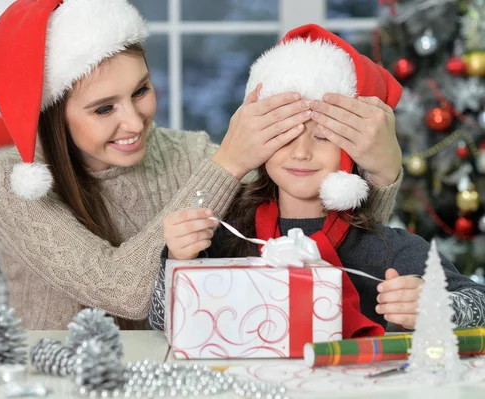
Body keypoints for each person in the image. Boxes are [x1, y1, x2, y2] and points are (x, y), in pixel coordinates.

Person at [0, 0, 404, 330]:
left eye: (140, 90)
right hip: (56, 382)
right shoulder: (9, 182)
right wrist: (228, 162)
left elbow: (325, 229)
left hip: (176, 374)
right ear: (53, 118)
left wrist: (383, 171)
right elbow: (118, 289)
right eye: (104, 109)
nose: (134, 120)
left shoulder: (191, 154)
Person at [151, 24, 485, 334]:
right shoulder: (224, 239)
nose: (300, 152)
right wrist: (180, 260)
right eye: (286, 133)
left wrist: (439, 305)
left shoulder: (386, 249)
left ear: (352, 148)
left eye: (323, 136)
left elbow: (479, 303)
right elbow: (160, 320)